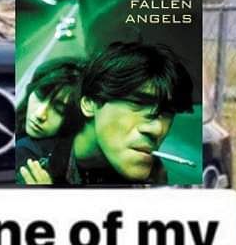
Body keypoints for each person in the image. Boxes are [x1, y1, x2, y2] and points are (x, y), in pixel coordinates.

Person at [17, 41, 194, 187]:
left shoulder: (154, 174)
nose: (157, 130)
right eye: (138, 103)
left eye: (167, 113)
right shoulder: (30, 161)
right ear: (89, 104)